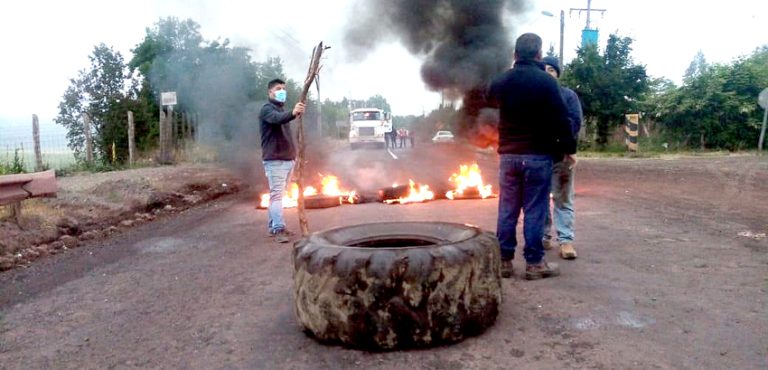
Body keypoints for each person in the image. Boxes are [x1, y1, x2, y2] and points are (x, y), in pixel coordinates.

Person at [489, 33, 577, 280]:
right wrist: (569, 149)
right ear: (539, 55)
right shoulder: (547, 83)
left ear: (515, 55)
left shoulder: (502, 81)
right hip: (538, 156)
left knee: (507, 208)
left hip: (508, 156)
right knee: (535, 210)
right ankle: (534, 263)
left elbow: (487, 98)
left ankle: (504, 261)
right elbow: (562, 119)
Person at [542, 56, 583, 260]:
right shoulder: (535, 96)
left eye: (551, 70)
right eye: (543, 69)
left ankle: (565, 241)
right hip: (538, 157)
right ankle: (543, 236)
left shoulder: (568, 96)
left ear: (557, 73)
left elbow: (575, 122)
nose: (547, 73)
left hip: (562, 156)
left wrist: (566, 146)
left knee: (563, 199)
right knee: (540, 200)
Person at [259, 78, 305, 243]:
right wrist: (293, 113)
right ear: (270, 92)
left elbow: (284, 120)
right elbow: (277, 119)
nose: (282, 91)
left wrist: (294, 156)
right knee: (277, 196)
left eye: (284, 88)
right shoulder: (267, 110)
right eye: (278, 88)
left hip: (287, 159)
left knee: (278, 195)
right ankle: (278, 229)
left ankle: (274, 226)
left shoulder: (281, 110)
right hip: (275, 160)